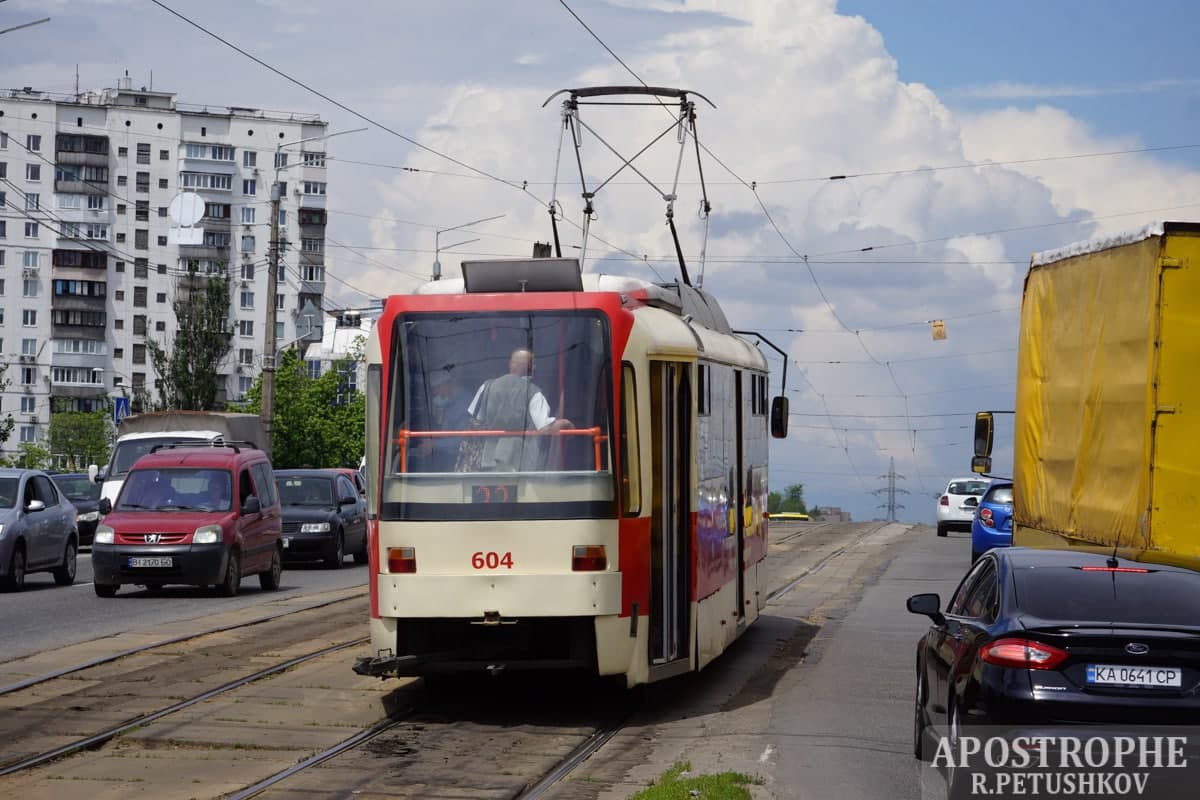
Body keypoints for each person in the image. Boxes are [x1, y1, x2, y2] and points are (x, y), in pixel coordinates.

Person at [467, 348, 573, 471]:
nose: (535, 367)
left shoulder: (487, 386)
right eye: (532, 363)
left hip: (487, 459)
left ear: (511, 364)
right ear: (527, 366)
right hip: (518, 460)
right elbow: (545, 428)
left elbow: (475, 422)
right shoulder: (533, 392)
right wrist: (566, 423)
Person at [411, 369, 473, 472]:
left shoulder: (464, 404)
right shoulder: (449, 402)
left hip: (460, 459)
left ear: (445, 384)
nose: (437, 397)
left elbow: (462, 441)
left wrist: (434, 444)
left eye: (438, 392)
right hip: (447, 456)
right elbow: (446, 430)